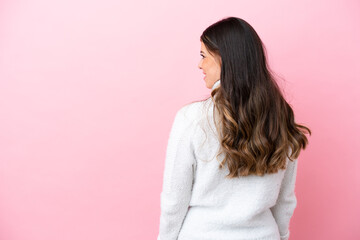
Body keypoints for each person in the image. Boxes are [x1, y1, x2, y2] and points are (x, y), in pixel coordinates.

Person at [157, 16, 311, 240]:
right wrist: (282, 236)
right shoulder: (281, 116)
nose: (199, 64)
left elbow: (174, 200)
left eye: (203, 56)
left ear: (224, 58)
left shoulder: (191, 118)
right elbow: (284, 200)